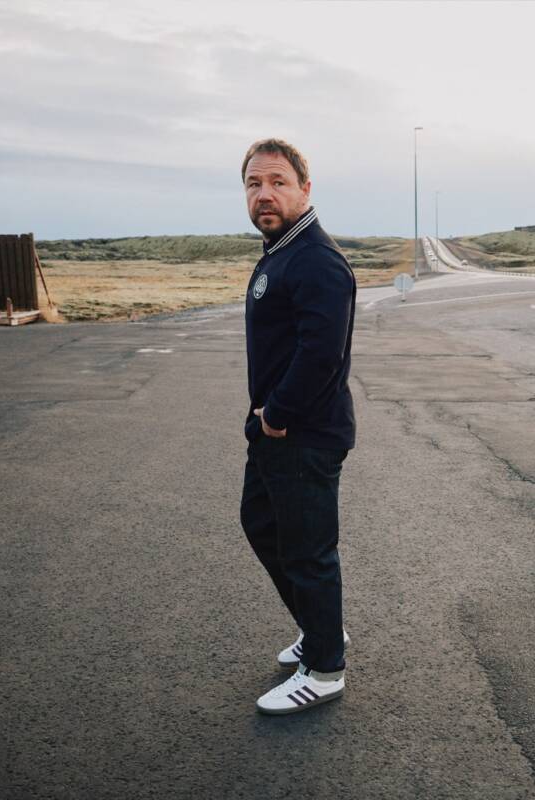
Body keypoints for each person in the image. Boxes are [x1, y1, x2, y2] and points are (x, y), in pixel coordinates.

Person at [239, 138, 357, 715]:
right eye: (254, 184)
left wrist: (278, 416)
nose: (265, 194)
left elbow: (321, 354)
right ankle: (321, 628)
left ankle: (326, 669)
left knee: (308, 551)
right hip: (275, 430)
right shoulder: (280, 251)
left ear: (305, 189)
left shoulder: (316, 260)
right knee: (262, 524)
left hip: (301, 433)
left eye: (278, 182)